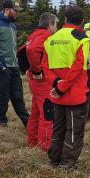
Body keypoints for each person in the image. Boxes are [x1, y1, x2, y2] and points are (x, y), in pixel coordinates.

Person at [43, 5, 90, 170]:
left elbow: (45, 66)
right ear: (82, 21)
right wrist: (62, 86)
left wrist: (55, 83)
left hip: (57, 93)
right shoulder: (82, 39)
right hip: (74, 94)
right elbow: (78, 68)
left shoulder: (51, 39)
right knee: (73, 131)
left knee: (58, 128)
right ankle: (68, 163)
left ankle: (54, 159)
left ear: (65, 19)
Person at [0, 0, 30, 127]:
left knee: (18, 96)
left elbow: (11, 48)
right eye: (15, 11)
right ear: (6, 10)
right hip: (0, 67)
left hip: (13, 67)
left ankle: (28, 123)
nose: (17, 13)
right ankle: (1, 123)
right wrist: (0, 65)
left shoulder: (12, 26)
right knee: (3, 97)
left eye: (18, 11)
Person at [26, 13, 58, 151]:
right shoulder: (45, 35)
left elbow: (27, 50)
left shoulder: (34, 34)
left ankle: (32, 142)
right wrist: (37, 71)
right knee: (47, 112)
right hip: (42, 81)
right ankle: (45, 146)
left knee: (36, 112)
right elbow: (33, 50)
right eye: (56, 24)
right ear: (50, 24)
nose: (57, 27)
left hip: (35, 82)